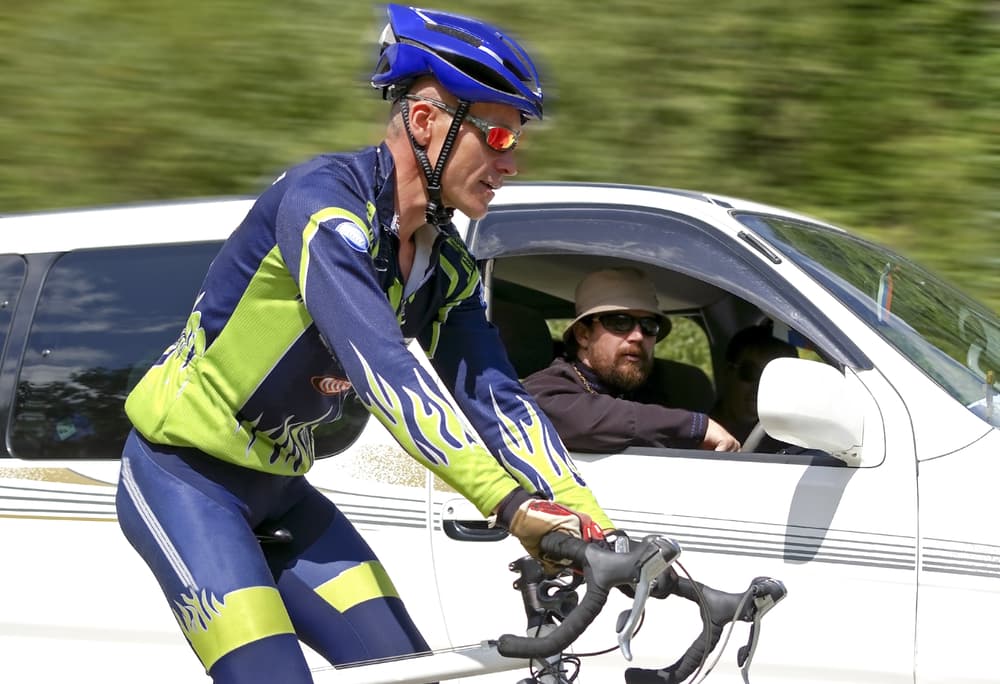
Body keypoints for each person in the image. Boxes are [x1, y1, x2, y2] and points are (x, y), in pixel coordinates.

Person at [114, 6, 616, 683]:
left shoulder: (444, 262)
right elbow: (384, 371)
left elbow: (497, 399)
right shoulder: (323, 205)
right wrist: (510, 504)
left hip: (283, 491)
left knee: (407, 675)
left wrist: (594, 527)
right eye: (497, 135)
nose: (511, 163)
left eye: (515, 142)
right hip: (185, 481)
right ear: (425, 120)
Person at [523, 267, 741, 453]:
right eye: (620, 322)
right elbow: (587, 421)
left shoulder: (657, 395)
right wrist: (696, 426)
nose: (638, 336)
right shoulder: (543, 392)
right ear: (583, 335)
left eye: (649, 326)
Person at [711, 323, 799, 451]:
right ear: (727, 372)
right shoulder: (698, 434)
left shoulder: (796, 444)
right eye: (751, 372)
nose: (760, 386)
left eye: (776, 378)